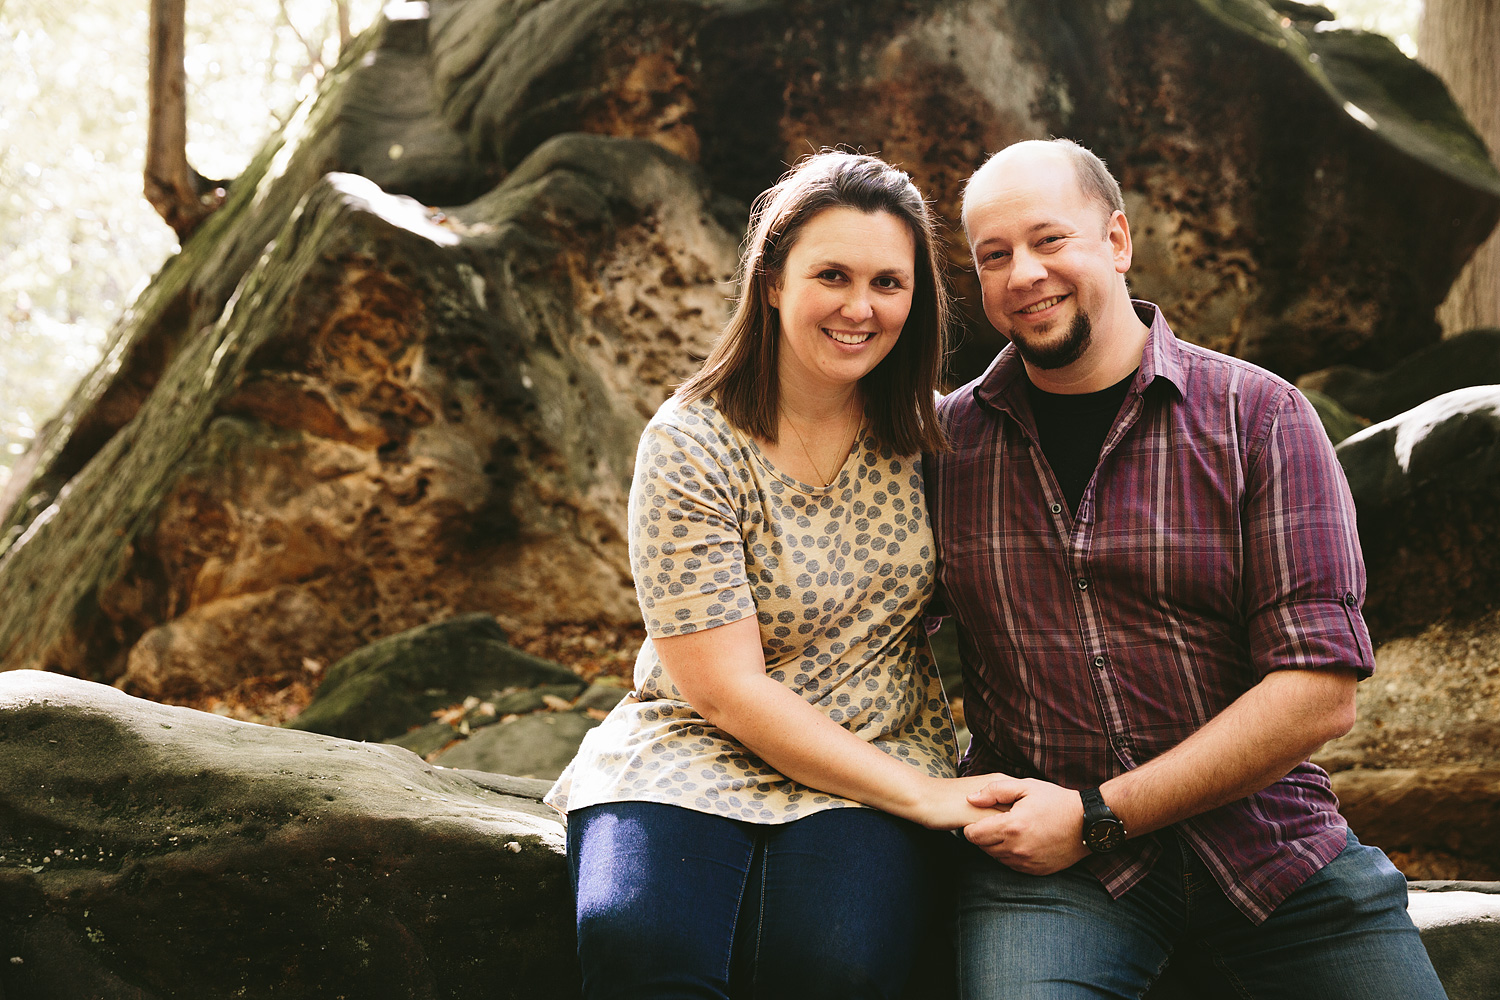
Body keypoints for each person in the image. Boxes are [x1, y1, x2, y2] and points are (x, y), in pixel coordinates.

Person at [929, 138, 1449, 999]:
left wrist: (1097, 816)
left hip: (1274, 851)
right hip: (1050, 881)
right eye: (994, 257)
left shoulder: (1263, 418)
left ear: (1118, 241)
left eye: (1050, 240)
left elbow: (1320, 690)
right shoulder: (945, 450)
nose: (1024, 274)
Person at [546, 151, 1001, 1000]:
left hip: (873, 751)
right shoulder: (690, 443)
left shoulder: (938, 440)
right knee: (638, 943)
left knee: (830, 964)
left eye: (888, 283)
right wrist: (927, 799)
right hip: (694, 745)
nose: (860, 308)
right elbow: (725, 692)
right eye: (831, 274)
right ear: (772, 282)